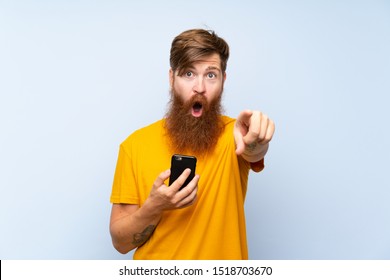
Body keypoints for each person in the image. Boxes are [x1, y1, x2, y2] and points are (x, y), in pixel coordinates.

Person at [109, 28, 275, 260]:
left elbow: (252, 149)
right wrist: (154, 206)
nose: (199, 87)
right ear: (171, 78)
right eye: (188, 74)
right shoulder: (134, 145)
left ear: (223, 80)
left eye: (210, 75)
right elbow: (120, 242)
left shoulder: (234, 134)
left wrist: (257, 138)